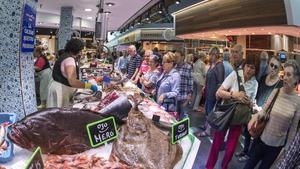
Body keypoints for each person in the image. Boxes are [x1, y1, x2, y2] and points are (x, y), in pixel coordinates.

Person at [245, 60, 300, 169]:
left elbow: (293, 129)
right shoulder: (277, 92)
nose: (284, 78)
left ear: (296, 79)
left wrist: (286, 151)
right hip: (261, 140)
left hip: (276, 148)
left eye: (289, 75)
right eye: (284, 74)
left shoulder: (298, 102)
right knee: (248, 166)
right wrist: (257, 114)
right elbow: (264, 110)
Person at [206, 55, 259, 169]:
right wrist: (234, 95)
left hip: (239, 118)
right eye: (248, 66)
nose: (249, 70)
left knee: (230, 150)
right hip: (226, 114)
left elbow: (252, 102)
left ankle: (224, 166)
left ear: (256, 70)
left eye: (253, 68)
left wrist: (249, 102)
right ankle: (209, 167)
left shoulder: (255, 84)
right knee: (216, 144)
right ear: (244, 66)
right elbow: (219, 92)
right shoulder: (235, 75)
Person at [236, 56, 283, 162]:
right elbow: (256, 91)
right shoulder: (263, 77)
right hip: (253, 109)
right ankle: (245, 151)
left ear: (279, 69)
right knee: (248, 131)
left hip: (264, 114)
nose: (273, 68)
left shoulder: (279, 84)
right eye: (271, 65)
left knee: (257, 136)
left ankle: (249, 156)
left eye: (276, 67)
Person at [47, 39, 98, 108]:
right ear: (77, 50)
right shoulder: (69, 60)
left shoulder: (65, 56)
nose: (81, 52)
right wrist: (89, 86)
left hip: (58, 86)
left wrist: (80, 82)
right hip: (60, 90)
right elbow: (72, 81)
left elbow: (67, 76)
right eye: (81, 50)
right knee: (59, 114)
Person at [175, 50, 193, 119]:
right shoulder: (174, 67)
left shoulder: (188, 67)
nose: (175, 58)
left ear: (182, 57)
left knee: (184, 119)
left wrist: (188, 98)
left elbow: (190, 84)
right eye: (175, 57)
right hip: (175, 97)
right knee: (175, 117)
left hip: (184, 98)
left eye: (177, 57)